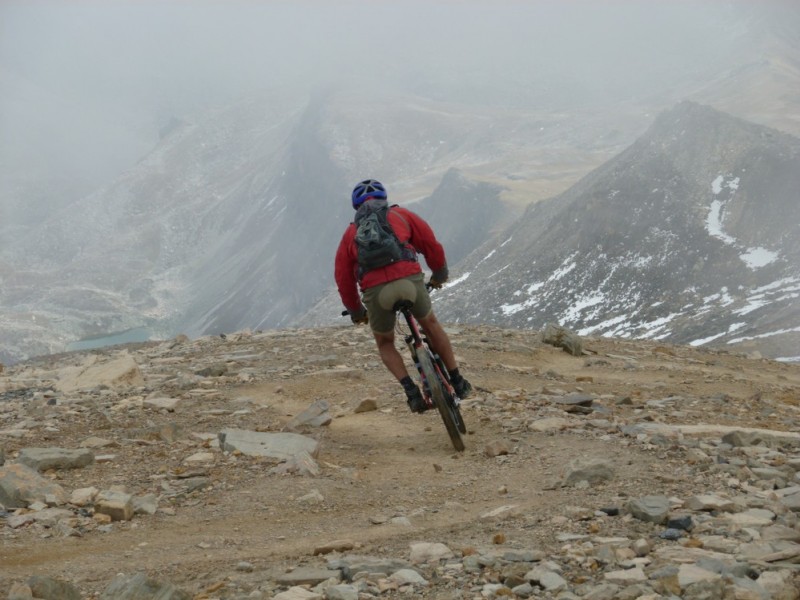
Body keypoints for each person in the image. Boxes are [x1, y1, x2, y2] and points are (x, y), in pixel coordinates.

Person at [335, 179, 472, 413]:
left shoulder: (350, 233)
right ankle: (457, 380)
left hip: (376, 293)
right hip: (409, 281)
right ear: (384, 199)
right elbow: (431, 246)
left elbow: (343, 277)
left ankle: (411, 392)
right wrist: (439, 275)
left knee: (386, 342)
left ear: (356, 207)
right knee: (430, 324)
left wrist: (357, 312)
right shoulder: (401, 216)